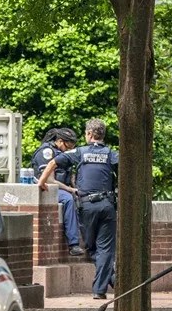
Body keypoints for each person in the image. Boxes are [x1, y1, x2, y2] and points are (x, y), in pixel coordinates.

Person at [37, 119, 118, 299]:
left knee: (91, 247)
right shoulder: (111, 154)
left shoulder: (80, 152)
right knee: (105, 248)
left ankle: (102, 287)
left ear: (88, 134)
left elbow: (52, 163)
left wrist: (41, 183)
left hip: (87, 206)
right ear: (102, 135)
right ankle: (107, 284)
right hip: (107, 205)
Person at [31, 127, 84, 256]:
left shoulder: (62, 153)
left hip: (61, 187)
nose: (69, 150)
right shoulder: (47, 152)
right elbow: (49, 180)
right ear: (60, 141)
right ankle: (73, 244)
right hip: (47, 188)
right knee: (68, 200)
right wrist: (71, 190)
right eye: (68, 146)